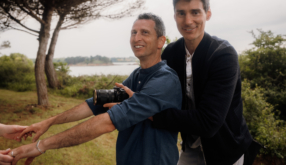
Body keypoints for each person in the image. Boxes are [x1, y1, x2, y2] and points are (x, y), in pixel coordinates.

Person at [9, 13, 182, 165]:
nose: (136, 38)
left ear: (161, 41)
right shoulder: (136, 75)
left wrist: (41, 146)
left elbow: (107, 122)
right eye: (133, 32)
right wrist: (47, 122)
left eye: (145, 32)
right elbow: (95, 103)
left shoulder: (165, 79)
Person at [148, 0, 254, 165]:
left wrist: (152, 115)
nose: (188, 21)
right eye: (181, 13)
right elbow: (157, 93)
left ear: (208, 14)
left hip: (226, 151)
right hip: (191, 146)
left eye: (195, 12)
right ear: (175, 16)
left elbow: (209, 122)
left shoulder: (223, 55)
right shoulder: (171, 53)